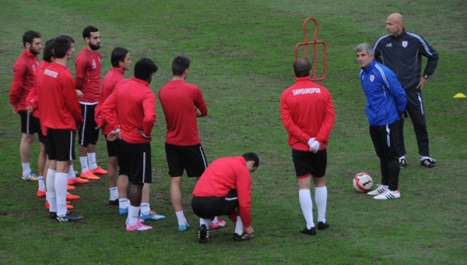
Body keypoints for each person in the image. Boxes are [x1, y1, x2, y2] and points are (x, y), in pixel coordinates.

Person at [159, 55, 226, 232]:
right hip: (190, 142)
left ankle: (181, 221)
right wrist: (193, 111)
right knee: (205, 179)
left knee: (175, 180)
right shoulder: (192, 89)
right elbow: (203, 111)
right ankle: (211, 219)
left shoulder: (163, 91)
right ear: (186, 71)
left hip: (171, 142)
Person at [373, 13, 439, 168]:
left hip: (412, 91)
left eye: (390, 24)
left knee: (420, 123)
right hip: (392, 93)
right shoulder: (382, 42)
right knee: (396, 125)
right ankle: (400, 157)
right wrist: (382, 73)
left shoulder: (415, 40)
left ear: (400, 25)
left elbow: (433, 55)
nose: (387, 27)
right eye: (387, 24)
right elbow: (372, 57)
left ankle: (425, 156)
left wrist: (425, 76)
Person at [100, 57, 158, 232]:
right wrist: (146, 132)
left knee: (131, 176)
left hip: (124, 139)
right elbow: (149, 117)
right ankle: (132, 221)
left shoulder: (123, 85)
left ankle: (133, 219)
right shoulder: (146, 93)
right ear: (149, 75)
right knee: (138, 181)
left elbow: (105, 108)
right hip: (139, 142)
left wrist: (117, 127)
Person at [280, 57, 335, 235]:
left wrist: (307, 140)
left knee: (303, 185)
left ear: (294, 73)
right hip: (320, 147)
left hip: (300, 147)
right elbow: (329, 118)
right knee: (320, 180)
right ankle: (322, 219)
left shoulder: (287, 95)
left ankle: (310, 225)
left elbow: (289, 124)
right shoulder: (323, 92)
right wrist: (318, 140)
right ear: (310, 72)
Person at [37, 36, 84, 221]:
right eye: (71, 49)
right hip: (63, 125)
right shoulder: (64, 75)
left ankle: (53, 207)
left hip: (48, 123)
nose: (72, 52)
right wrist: (79, 120)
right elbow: (73, 105)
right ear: (66, 52)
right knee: (63, 167)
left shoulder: (45, 71)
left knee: (53, 164)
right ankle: (62, 213)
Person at [355, 43, 407, 200]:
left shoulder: (383, 72)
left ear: (371, 56)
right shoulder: (362, 74)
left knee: (391, 155)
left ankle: (394, 189)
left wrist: (400, 111)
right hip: (374, 120)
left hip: (388, 120)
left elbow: (399, 92)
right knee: (382, 154)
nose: (360, 59)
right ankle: (385, 185)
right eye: (358, 56)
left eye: (363, 55)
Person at [192, 152, 259, 243]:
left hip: (196, 204)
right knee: (240, 195)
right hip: (215, 202)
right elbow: (244, 203)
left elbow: (229, 207)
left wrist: (235, 219)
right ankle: (239, 233)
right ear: (251, 163)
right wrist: (247, 225)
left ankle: (204, 227)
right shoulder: (242, 169)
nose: (250, 173)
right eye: (252, 170)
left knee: (208, 207)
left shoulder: (220, 161)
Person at [95, 47, 132, 205]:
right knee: (125, 166)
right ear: (120, 62)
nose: (130, 62)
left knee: (112, 161)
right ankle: (125, 200)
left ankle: (113, 194)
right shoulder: (120, 80)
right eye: (128, 59)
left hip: (108, 126)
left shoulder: (108, 76)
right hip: (116, 128)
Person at [75, 25, 106, 181]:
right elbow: (78, 82)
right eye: (95, 38)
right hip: (86, 102)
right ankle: (84, 168)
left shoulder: (98, 55)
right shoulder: (82, 58)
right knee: (84, 137)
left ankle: (93, 165)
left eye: (99, 37)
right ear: (87, 39)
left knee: (94, 133)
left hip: (96, 101)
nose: (98, 40)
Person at [10, 30, 42, 181]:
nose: (40, 46)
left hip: (35, 104)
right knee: (27, 137)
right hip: (26, 106)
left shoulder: (34, 59)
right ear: (27, 44)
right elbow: (16, 86)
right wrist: (15, 104)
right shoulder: (22, 63)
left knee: (32, 137)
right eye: (37, 44)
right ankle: (26, 172)